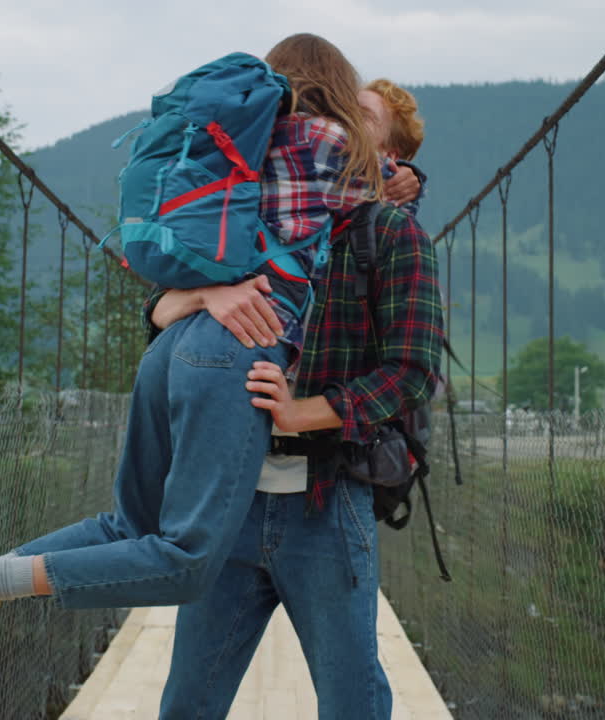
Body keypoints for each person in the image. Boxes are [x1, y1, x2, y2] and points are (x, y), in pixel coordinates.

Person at [0, 33, 387, 692]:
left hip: (175, 344)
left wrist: (199, 291)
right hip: (238, 353)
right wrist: (385, 156)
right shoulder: (328, 141)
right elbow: (383, 207)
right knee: (187, 560)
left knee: (130, 526)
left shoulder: (232, 144)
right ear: (335, 83)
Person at [152, 79, 439, 719]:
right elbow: (159, 313)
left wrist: (301, 412)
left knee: (353, 705)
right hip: (224, 504)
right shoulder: (250, 219)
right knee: (187, 705)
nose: (334, 122)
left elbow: (413, 372)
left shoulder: (387, 233)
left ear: (389, 155)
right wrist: (202, 296)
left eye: (359, 116)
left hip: (327, 505)